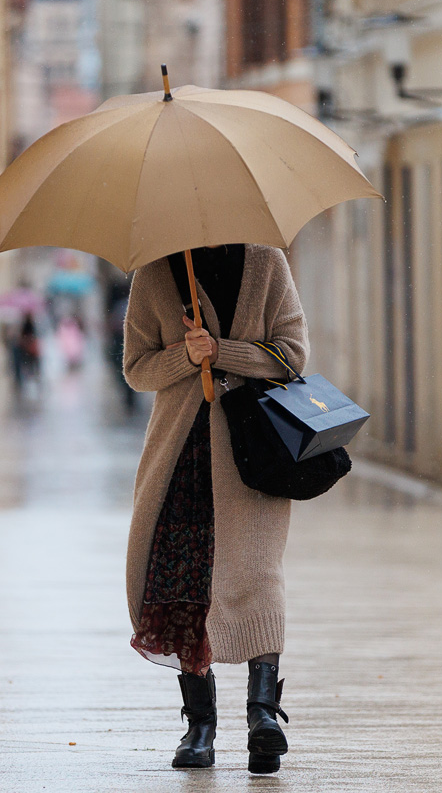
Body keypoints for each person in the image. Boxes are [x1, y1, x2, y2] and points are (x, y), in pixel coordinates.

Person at [122, 243, 309, 775]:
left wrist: (222, 351)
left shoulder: (267, 263)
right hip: (179, 458)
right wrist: (186, 354)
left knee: (256, 573)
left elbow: (293, 355)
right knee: (182, 581)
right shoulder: (155, 271)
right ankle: (199, 726)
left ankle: (263, 716)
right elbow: (137, 369)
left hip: (251, 452)